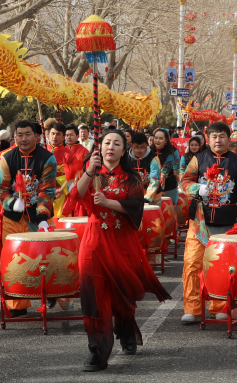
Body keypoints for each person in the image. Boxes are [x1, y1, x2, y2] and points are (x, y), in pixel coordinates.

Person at [70, 128, 171, 370]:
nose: (111, 147)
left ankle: (125, 330)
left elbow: (136, 206)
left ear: (123, 150)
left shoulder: (132, 178)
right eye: (107, 142)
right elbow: (75, 195)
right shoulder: (90, 173)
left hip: (122, 242)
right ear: (100, 148)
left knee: (123, 294)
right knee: (93, 297)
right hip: (94, 242)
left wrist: (108, 203)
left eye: (117, 143)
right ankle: (97, 351)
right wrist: (87, 171)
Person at [177, 122, 237, 324]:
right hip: (200, 222)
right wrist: (196, 189)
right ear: (208, 139)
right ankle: (192, 308)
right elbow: (184, 181)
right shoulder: (198, 159)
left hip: (226, 223)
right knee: (193, 264)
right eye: (214, 136)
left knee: (223, 266)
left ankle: (220, 305)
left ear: (229, 139)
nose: (218, 140)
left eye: (222, 136)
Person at [0, 120, 56, 317]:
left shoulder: (48, 158)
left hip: (39, 217)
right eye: (20, 135)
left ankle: (53, 292)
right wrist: (11, 203)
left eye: (28, 134)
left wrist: (42, 216)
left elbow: (47, 190)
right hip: (13, 218)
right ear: (14, 137)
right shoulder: (6, 158)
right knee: (14, 260)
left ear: (37, 136)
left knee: (46, 258)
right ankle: (18, 304)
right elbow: (1, 189)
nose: (24, 138)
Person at [146, 127, 180, 204]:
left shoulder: (171, 153)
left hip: (167, 184)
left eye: (161, 138)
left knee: (168, 210)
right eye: (156, 138)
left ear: (166, 140)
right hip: (150, 185)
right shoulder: (149, 150)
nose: (157, 141)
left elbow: (164, 172)